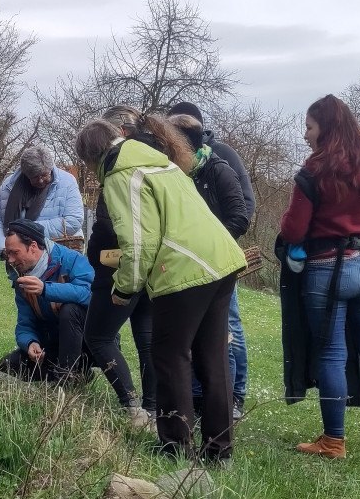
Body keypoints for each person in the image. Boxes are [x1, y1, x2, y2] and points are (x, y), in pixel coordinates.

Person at [75, 117, 246, 464]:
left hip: (184, 268)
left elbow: (140, 244)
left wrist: (124, 289)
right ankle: (219, 450)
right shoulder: (161, 161)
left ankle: (175, 446)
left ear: (90, 160)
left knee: (170, 356)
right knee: (212, 360)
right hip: (222, 259)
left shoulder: (123, 175)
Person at [279, 94, 360, 459]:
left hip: (327, 272)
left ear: (326, 128)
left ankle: (333, 441)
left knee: (332, 355)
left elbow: (293, 231)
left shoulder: (314, 171)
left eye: (309, 127)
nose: (306, 135)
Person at [81, 106, 174, 424]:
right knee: (146, 338)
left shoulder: (118, 172)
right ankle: (150, 408)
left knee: (98, 336)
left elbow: (116, 227)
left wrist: (111, 268)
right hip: (150, 268)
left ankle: (132, 407)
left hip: (120, 268)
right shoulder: (152, 160)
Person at [170, 112, 251, 421]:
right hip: (184, 267)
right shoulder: (176, 174)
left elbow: (240, 216)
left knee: (224, 334)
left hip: (215, 265)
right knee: (191, 335)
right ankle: (197, 398)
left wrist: (210, 247)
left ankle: (229, 400)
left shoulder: (218, 169)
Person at [0, 220, 95, 381]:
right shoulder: (21, 278)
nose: (11, 260)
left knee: (70, 309)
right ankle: (78, 374)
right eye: (8, 254)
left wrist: (46, 289)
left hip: (87, 342)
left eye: (15, 253)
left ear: (33, 246)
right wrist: (30, 342)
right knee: (8, 365)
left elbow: (89, 294)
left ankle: (68, 377)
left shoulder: (72, 259)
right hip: (52, 344)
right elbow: (24, 322)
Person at [0, 145, 84, 259]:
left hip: (60, 257)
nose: (41, 180)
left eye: (44, 175)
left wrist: (25, 231)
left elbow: (74, 220)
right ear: (26, 174)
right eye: (35, 177)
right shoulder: (9, 185)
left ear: (50, 168)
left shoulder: (67, 181)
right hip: (22, 260)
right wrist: (3, 248)